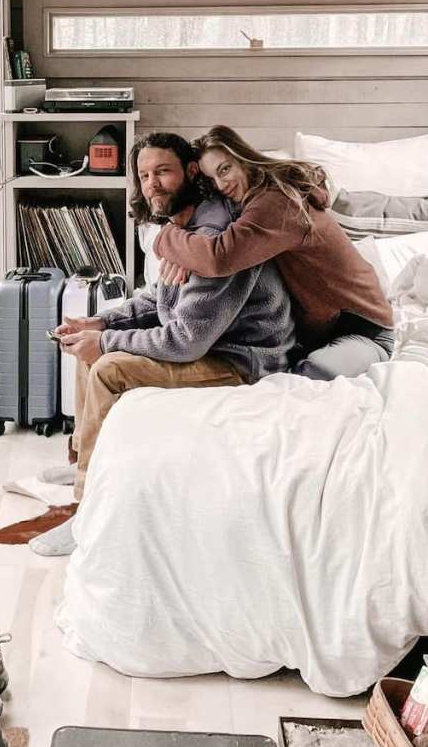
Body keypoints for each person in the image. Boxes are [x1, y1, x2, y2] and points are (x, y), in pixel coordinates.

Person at [29, 132, 295, 557]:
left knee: (109, 365)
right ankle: (85, 462)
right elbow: (159, 298)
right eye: (145, 174)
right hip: (208, 345)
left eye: (163, 172)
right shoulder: (182, 229)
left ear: (191, 172)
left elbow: (186, 340)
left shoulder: (213, 241)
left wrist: (107, 341)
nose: (152, 183)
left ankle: (88, 512)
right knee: (91, 345)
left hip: (241, 361)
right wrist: (100, 322)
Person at [154, 124, 394, 383]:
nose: (221, 184)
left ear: (243, 158)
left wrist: (166, 237)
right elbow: (215, 251)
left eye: (225, 169)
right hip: (317, 333)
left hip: (365, 331)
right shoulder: (251, 203)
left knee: (310, 378)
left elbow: (218, 258)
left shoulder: (275, 203)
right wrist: (185, 255)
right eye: (211, 179)